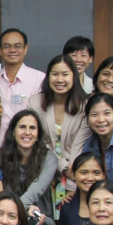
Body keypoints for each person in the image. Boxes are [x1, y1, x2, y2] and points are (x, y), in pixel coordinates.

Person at [0, 109, 59, 225]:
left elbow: (35, 192)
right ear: (13, 131)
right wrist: (20, 211)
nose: (27, 132)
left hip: (41, 218)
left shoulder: (49, 158)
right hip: (7, 218)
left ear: (38, 133)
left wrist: (21, 211)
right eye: (22, 127)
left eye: (32, 128)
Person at [26, 54, 90, 207]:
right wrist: (64, 167)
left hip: (76, 173)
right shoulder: (35, 103)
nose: (60, 79)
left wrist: (72, 179)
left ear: (74, 77)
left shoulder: (85, 105)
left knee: (69, 214)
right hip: (43, 170)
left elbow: (79, 144)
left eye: (65, 74)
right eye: (55, 74)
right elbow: (39, 142)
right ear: (48, 77)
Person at [0, 29, 46, 146]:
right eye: (7, 46)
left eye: (17, 46)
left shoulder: (40, 79)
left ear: (25, 49)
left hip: (29, 147)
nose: (12, 50)